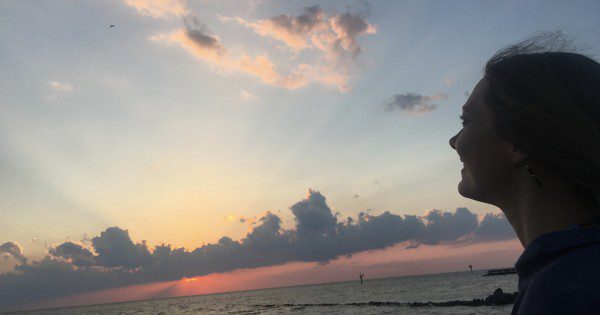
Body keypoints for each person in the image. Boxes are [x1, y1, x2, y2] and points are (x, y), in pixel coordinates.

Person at [449, 33, 600, 314]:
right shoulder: (573, 268)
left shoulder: (565, 292)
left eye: (465, 121)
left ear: (517, 141)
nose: (453, 140)